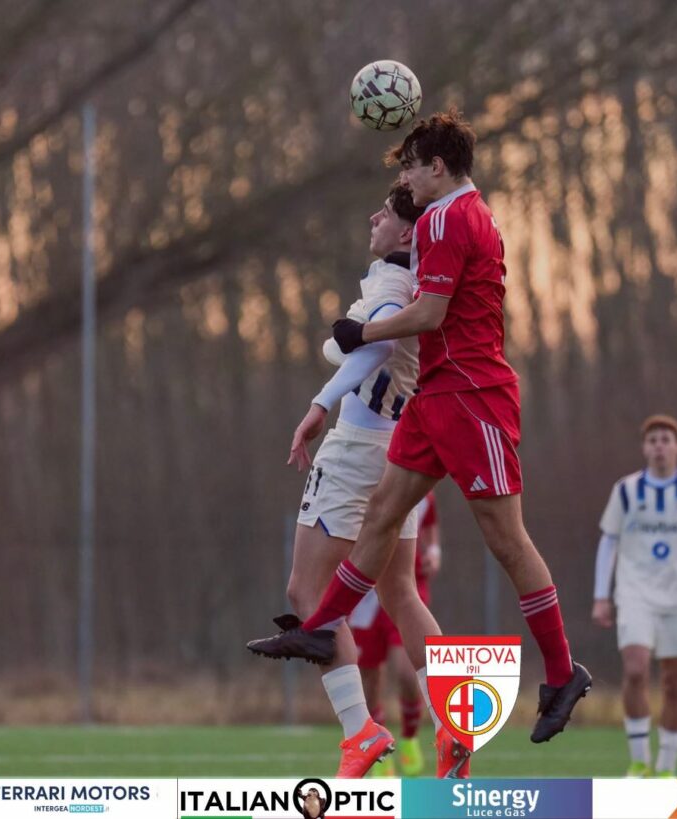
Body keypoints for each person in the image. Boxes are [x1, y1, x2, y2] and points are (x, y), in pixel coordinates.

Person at [248, 110, 591, 780]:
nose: (403, 180)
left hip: (472, 397)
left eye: (409, 167)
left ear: (438, 167)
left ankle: (561, 671)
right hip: (433, 399)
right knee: (382, 521)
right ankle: (326, 628)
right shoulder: (454, 217)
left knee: (507, 540)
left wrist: (359, 338)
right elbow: (427, 314)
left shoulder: (445, 219)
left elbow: (430, 315)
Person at [247, 181, 426, 778]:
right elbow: (361, 341)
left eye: (387, 211)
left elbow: (370, 349)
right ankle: (456, 723)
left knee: (307, 592)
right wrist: (337, 346)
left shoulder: (393, 283)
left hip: (356, 448)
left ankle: (360, 732)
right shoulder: (419, 282)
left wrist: (321, 401)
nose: (374, 215)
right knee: (401, 593)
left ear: (406, 231)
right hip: (402, 450)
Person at [592, 414, 677, 777]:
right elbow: (609, 540)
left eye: (666, 439)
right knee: (635, 670)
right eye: (652, 440)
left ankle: (666, 766)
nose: (659, 446)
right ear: (644, 448)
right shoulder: (625, 490)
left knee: (673, 681)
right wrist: (601, 595)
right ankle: (639, 761)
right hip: (635, 594)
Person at [355, 491, 442, 777]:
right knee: (367, 674)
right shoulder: (356, 481)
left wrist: (433, 551)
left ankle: (409, 738)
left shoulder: (418, 484)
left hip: (406, 588)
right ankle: (380, 752)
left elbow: (429, 524)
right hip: (363, 593)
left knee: (406, 672)